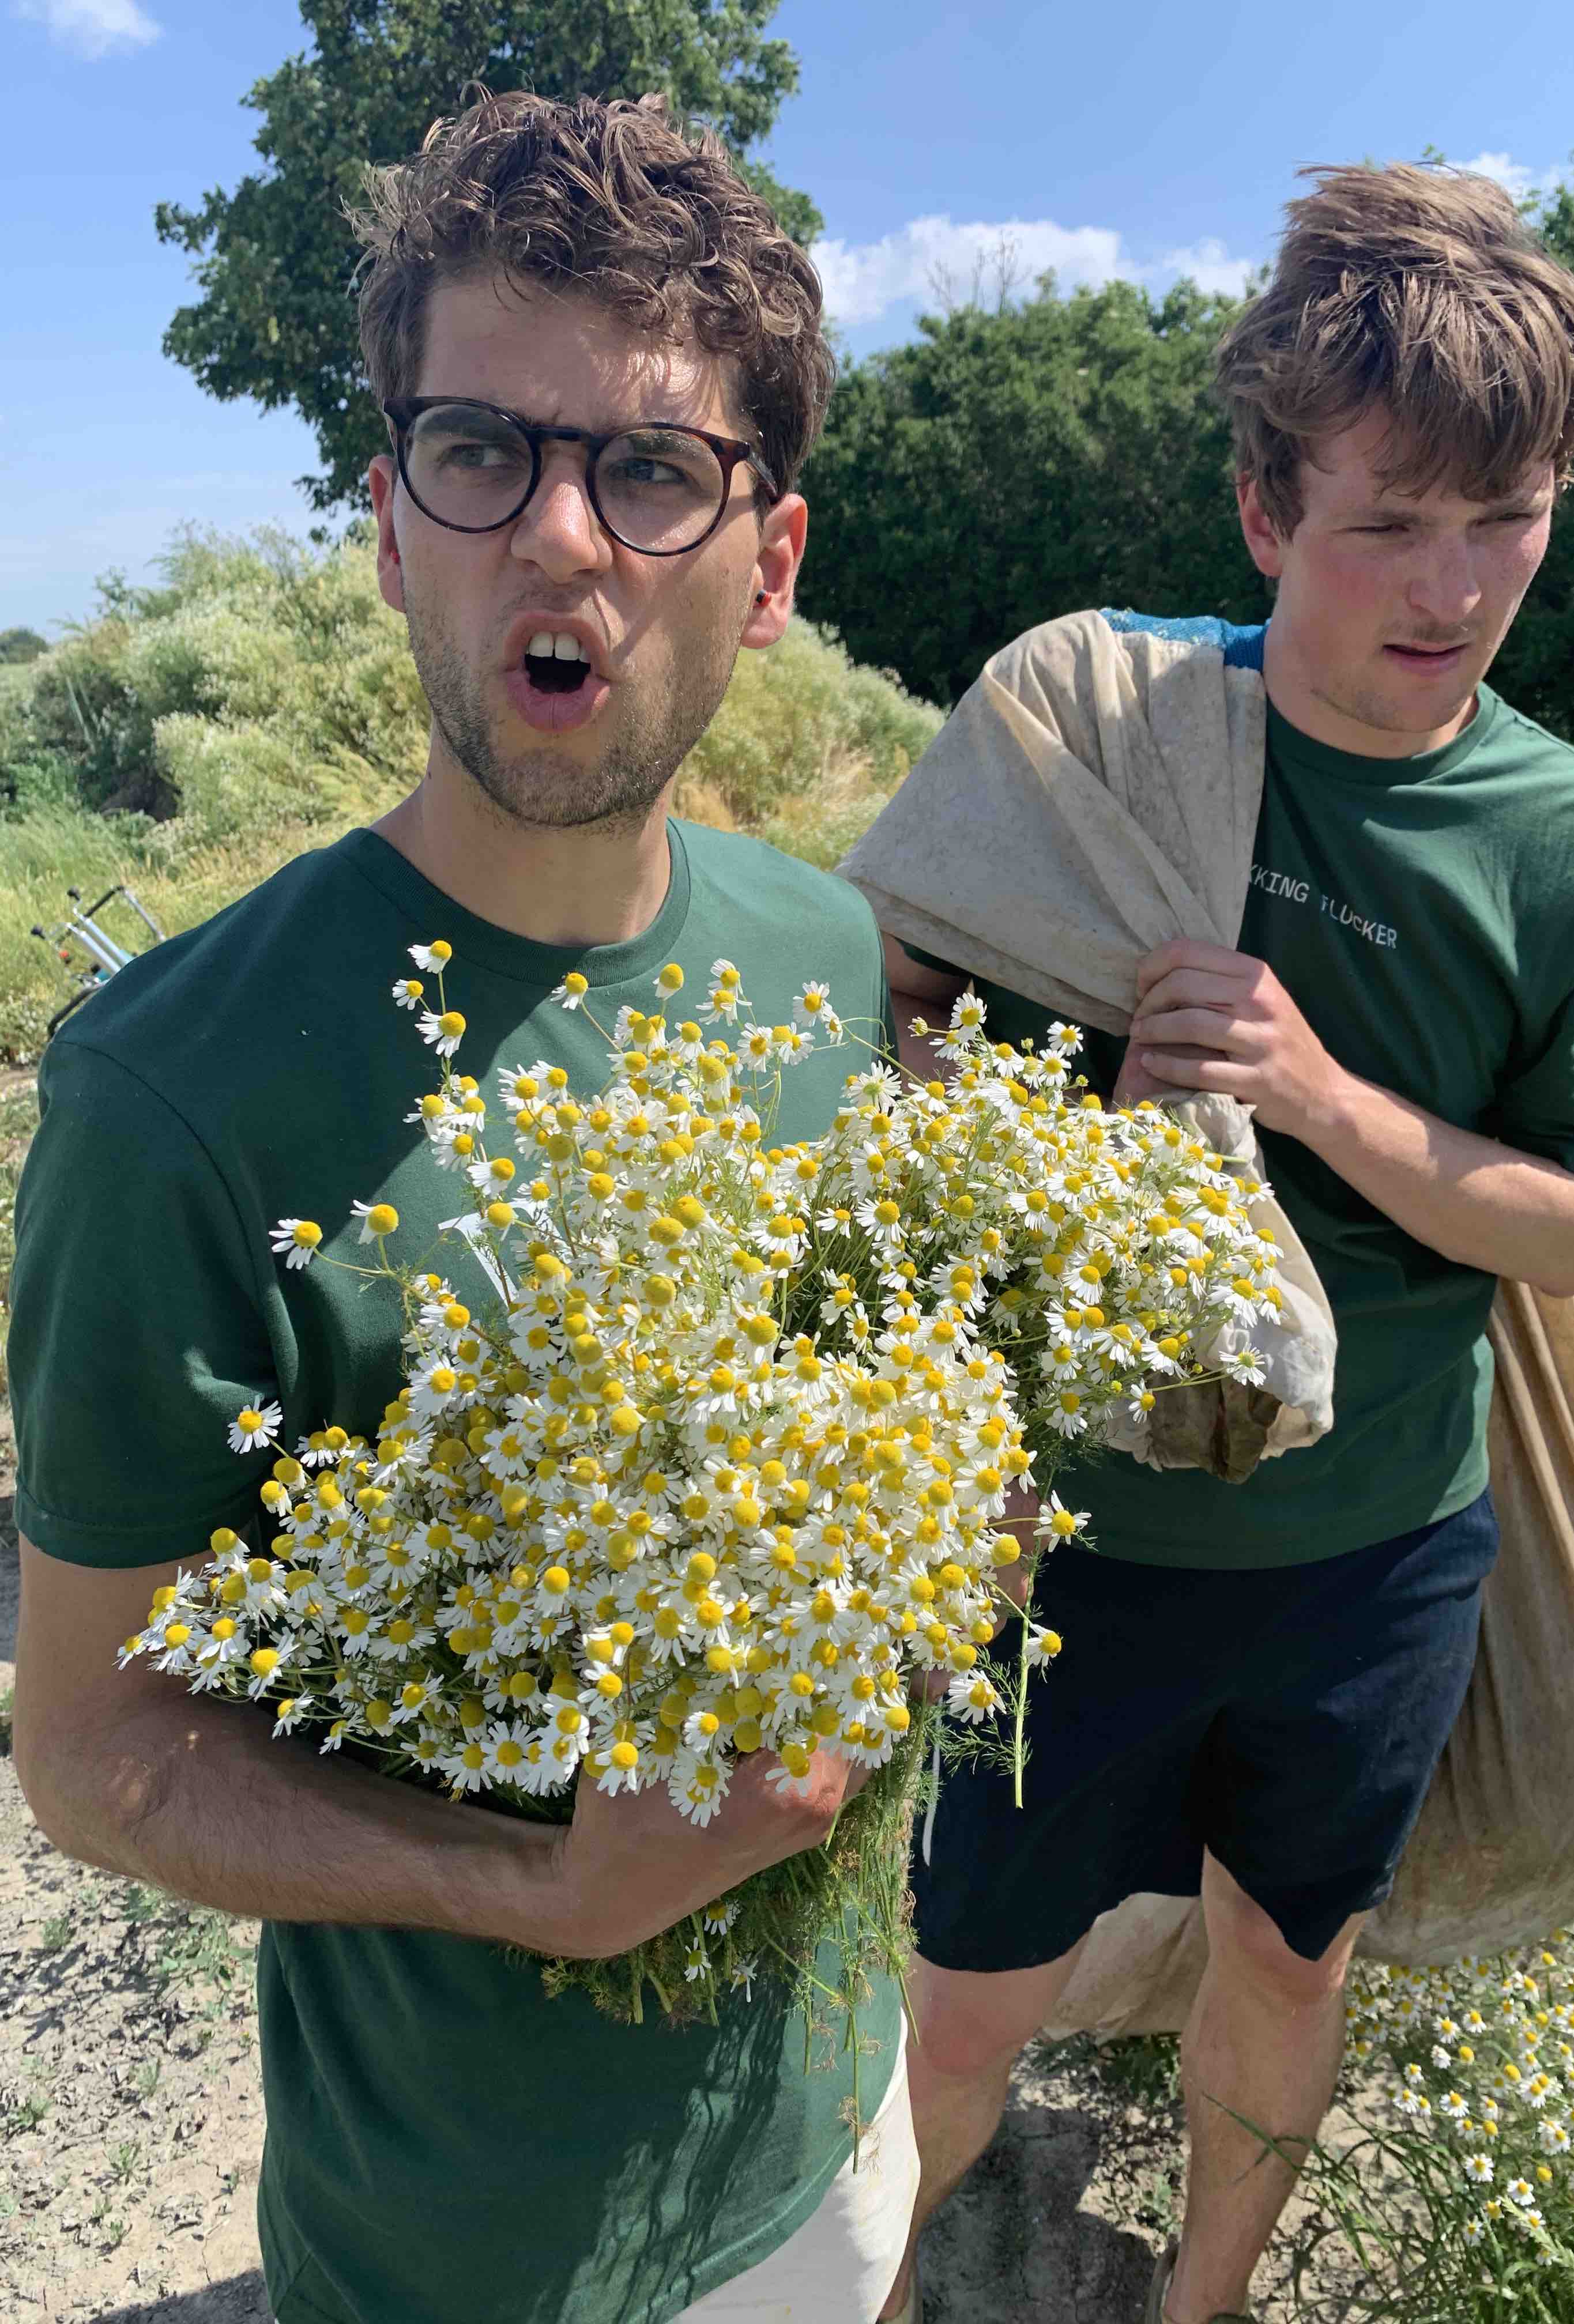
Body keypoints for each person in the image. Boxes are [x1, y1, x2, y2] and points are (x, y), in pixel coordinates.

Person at [10, 90, 918, 2324]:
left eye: (653, 468)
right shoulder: (170, 1104)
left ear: (771, 564)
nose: (566, 540)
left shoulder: (840, 961)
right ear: (390, 522)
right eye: (482, 451)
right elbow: (96, 1750)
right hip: (457, 2253)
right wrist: (545, 1891)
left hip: (836, 2146)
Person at [872, 163, 1574, 2324]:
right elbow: (883, 1038)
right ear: (1260, 512)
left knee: (1289, 1958)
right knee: (962, 1998)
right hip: (1060, 1545)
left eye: (1505, 515)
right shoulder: (1090, 737)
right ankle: (879, 2276)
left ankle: (1201, 2305)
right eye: (1386, 520)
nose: (1453, 585)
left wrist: (1313, 1099)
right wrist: (1077, 1138)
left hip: (1379, 1556)